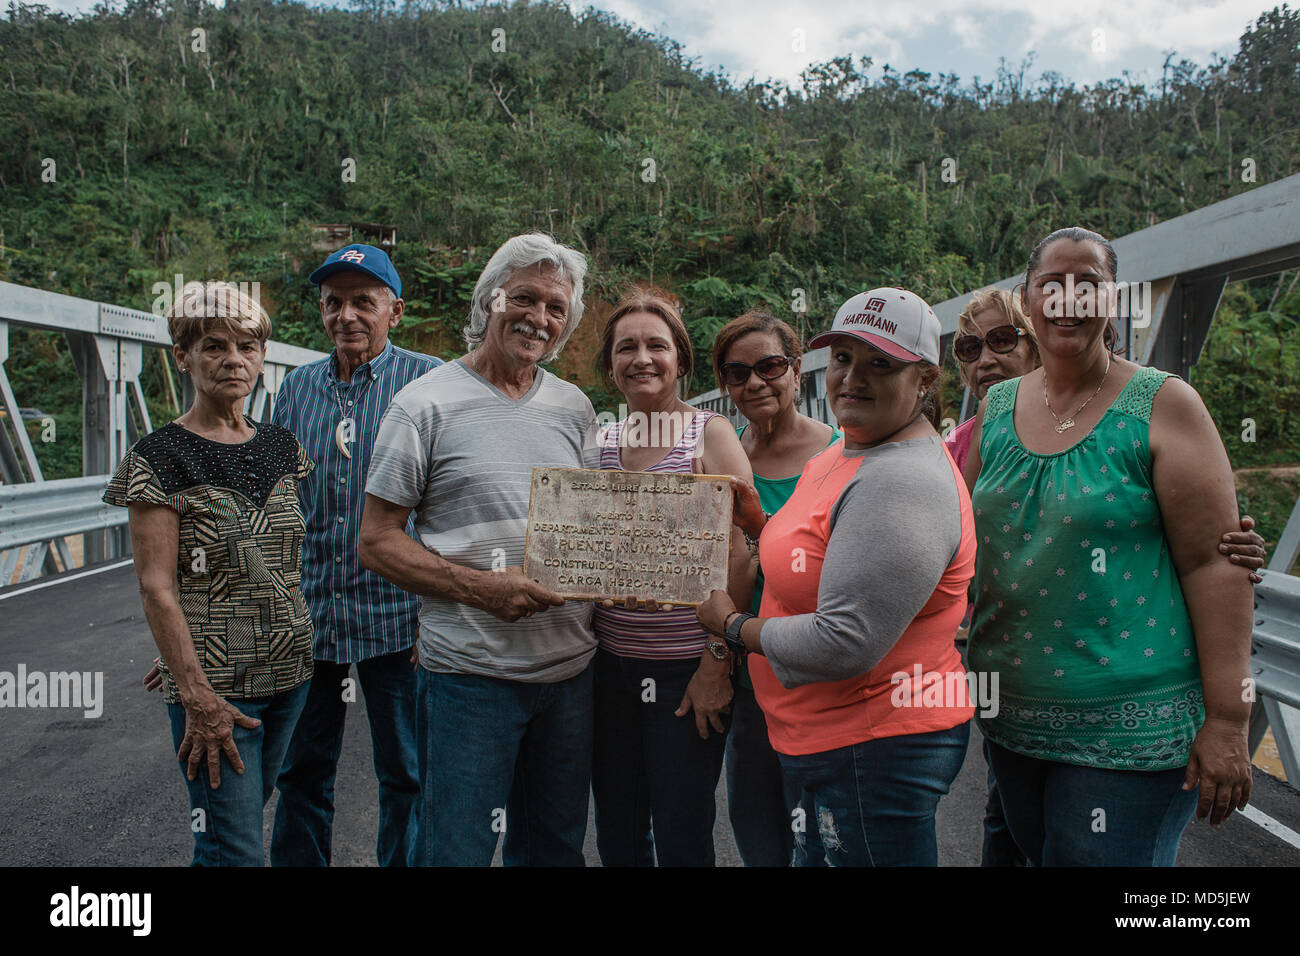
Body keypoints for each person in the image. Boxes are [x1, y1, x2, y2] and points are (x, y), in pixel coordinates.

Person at [961, 227, 1255, 866]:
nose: (1070, 298)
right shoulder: (1000, 405)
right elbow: (953, 537)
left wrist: (1229, 720)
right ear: (1028, 299)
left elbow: (1215, 563)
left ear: (1112, 299)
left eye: (1088, 283)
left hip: (1133, 725)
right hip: (1012, 717)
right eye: (1053, 284)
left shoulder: (1164, 404)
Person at [698, 288, 975, 866]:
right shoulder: (849, 451)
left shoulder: (901, 482)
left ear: (924, 379)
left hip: (874, 746)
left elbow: (843, 641)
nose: (853, 378)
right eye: (844, 358)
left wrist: (732, 627)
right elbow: (826, 550)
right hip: (829, 742)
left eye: (880, 363)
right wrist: (760, 526)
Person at [357, 233, 599, 867]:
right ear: (491, 299)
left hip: (570, 675)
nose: (539, 318)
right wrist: (477, 588)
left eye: (556, 308)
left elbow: (592, 532)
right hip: (469, 678)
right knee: (455, 851)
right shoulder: (424, 404)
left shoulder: (574, 409)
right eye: (524, 298)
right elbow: (376, 541)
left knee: (554, 851)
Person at [106, 282, 314, 866]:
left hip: (292, 674)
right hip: (218, 691)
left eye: (248, 347)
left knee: (236, 829)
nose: (234, 360)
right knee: (233, 851)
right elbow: (156, 585)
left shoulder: (281, 448)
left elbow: (279, 562)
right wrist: (192, 684)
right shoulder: (159, 458)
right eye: (214, 346)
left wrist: (179, 644)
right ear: (183, 355)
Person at [265, 244, 442, 867]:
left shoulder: (428, 380)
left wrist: (437, 607)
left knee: (408, 773)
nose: (347, 315)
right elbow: (276, 501)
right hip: (310, 612)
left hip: (400, 615)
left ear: (394, 310)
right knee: (302, 772)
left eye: (363, 302)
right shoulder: (295, 388)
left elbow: (449, 501)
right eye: (334, 302)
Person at [589, 289, 753, 867]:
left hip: (687, 667)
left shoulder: (710, 435)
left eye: (657, 345)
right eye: (626, 347)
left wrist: (717, 660)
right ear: (611, 365)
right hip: (608, 667)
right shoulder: (600, 442)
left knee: (683, 826)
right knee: (618, 827)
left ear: (680, 359)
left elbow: (742, 552)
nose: (642, 358)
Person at [710, 310, 840, 867]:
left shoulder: (839, 454)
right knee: (758, 823)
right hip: (748, 677)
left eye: (770, 366)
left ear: (797, 370)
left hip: (821, 677)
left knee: (824, 832)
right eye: (738, 374)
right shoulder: (724, 459)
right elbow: (710, 572)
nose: (755, 382)